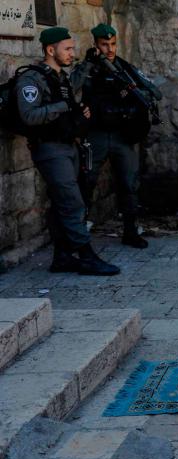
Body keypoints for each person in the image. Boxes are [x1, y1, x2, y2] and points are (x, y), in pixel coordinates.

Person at [15, 27, 120, 276]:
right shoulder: (31, 79)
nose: (72, 53)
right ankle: (86, 256)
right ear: (51, 50)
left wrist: (76, 111)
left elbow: (70, 95)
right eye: (68, 49)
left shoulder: (60, 77)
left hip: (67, 146)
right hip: (50, 150)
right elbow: (29, 115)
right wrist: (64, 107)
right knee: (72, 202)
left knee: (63, 202)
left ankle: (62, 257)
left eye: (73, 49)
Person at [76, 23, 163, 249]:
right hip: (96, 134)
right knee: (86, 182)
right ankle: (77, 234)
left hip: (123, 135)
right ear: (96, 45)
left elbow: (155, 91)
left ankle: (131, 231)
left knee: (129, 183)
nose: (110, 49)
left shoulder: (125, 68)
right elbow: (72, 87)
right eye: (104, 45)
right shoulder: (89, 68)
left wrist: (133, 91)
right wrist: (87, 63)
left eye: (113, 44)